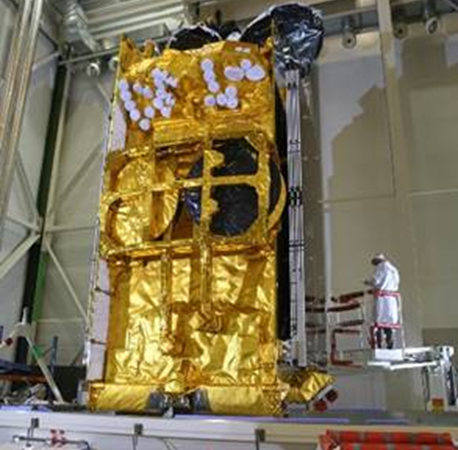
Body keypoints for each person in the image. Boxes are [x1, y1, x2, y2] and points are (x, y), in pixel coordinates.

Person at [364, 254, 400, 349]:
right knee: (389, 325)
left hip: (382, 298)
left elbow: (376, 280)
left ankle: (378, 346)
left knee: (378, 323)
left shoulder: (381, 267)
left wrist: (367, 282)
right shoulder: (393, 269)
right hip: (391, 298)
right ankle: (390, 345)